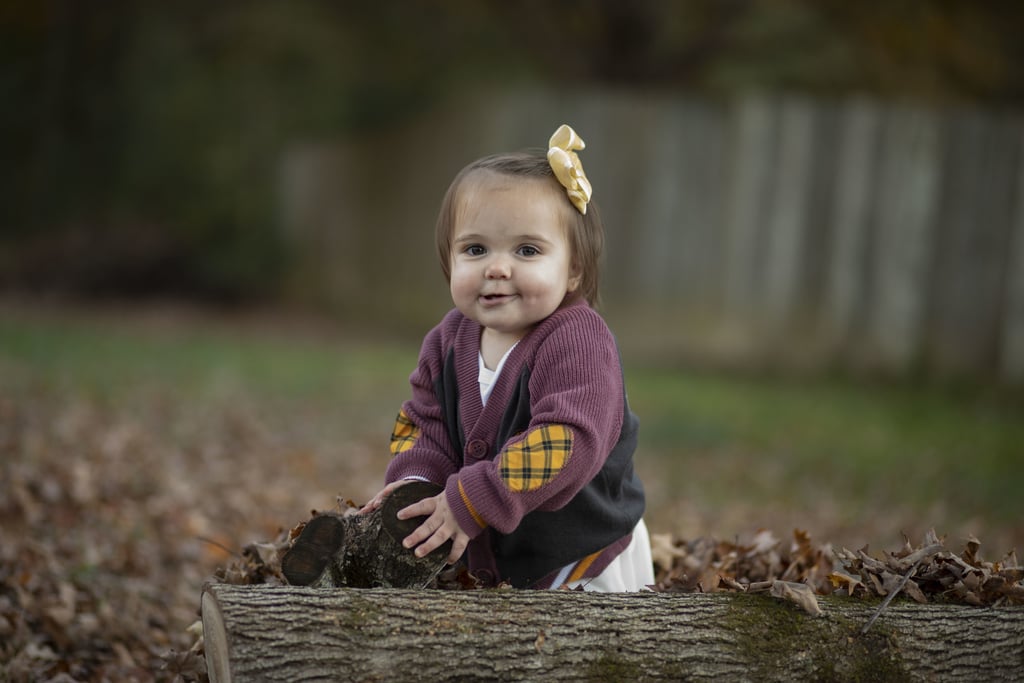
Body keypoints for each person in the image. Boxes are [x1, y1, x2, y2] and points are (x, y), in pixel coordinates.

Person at [361, 124, 652, 591]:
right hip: (498, 552)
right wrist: (415, 482)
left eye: (527, 250)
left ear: (573, 268)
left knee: (585, 661)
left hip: (580, 553)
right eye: (475, 249)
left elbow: (567, 439)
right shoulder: (447, 340)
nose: (497, 267)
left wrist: (475, 499)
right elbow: (422, 422)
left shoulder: (578, 341)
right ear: (448, 262)